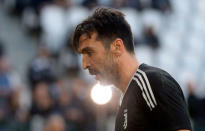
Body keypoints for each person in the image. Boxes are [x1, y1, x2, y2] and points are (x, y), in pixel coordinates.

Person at [72, 7, 192, 131]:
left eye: (90, 53)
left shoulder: (151, 82)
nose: (84, 65)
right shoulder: (123, 105)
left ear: (117, 47)